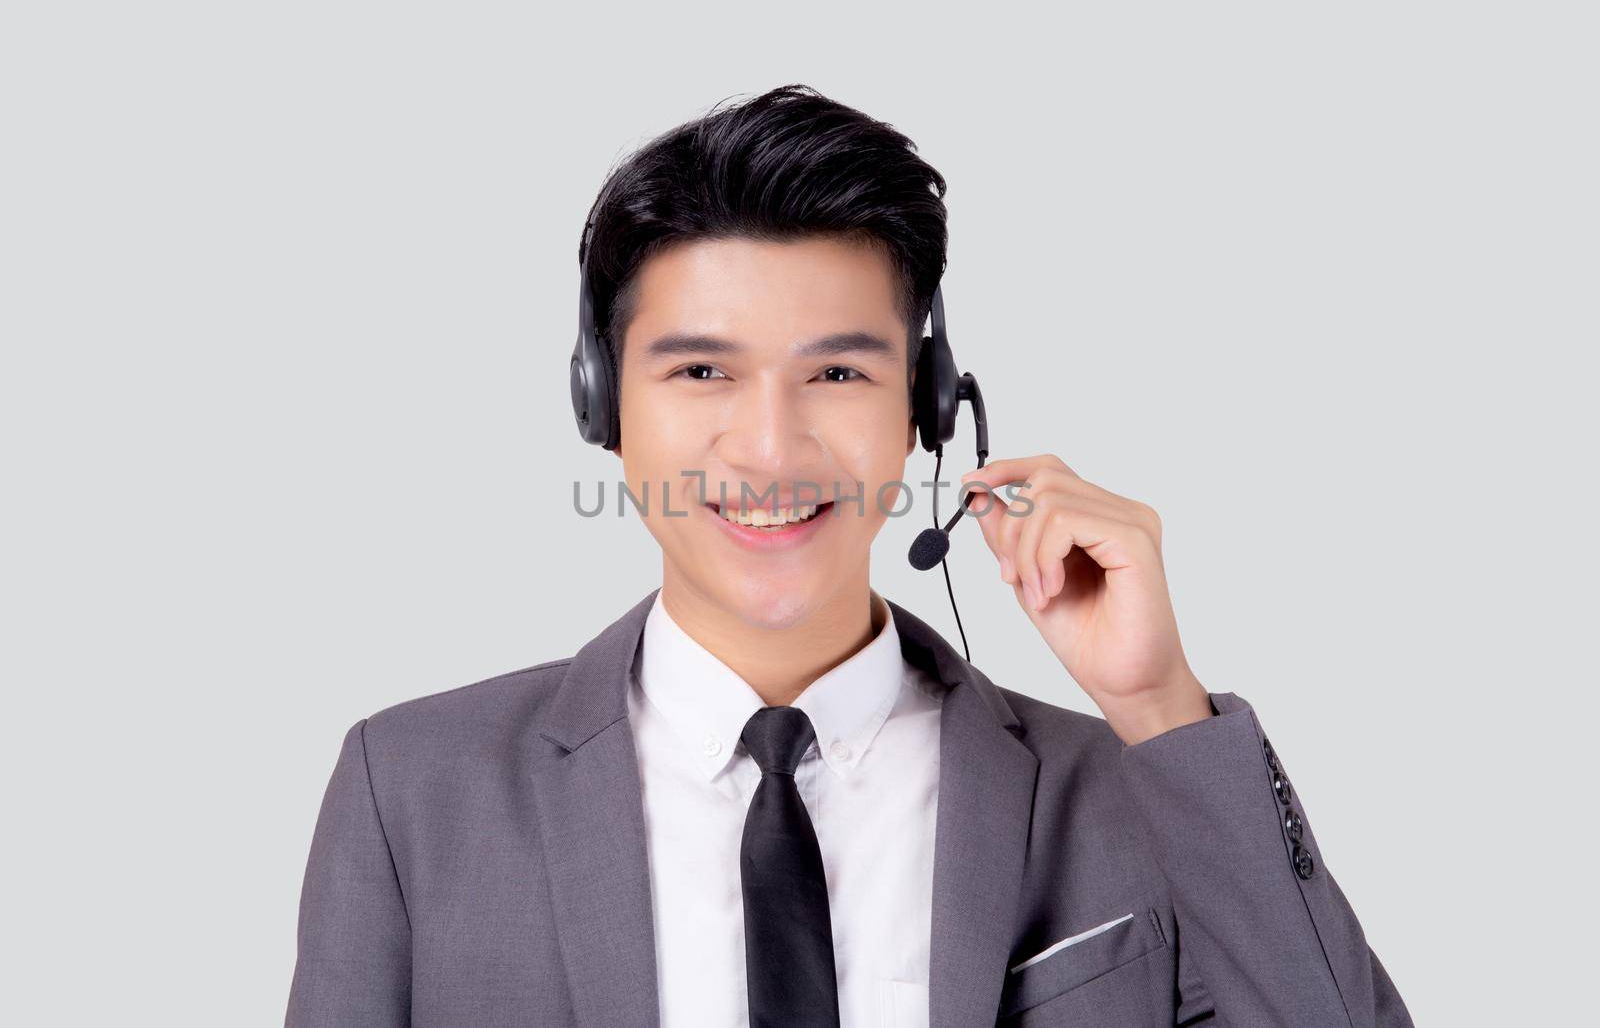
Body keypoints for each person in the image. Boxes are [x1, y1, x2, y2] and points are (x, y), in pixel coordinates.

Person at [285, 84, 1412, 1027]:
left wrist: (1160, 705)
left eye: (835, 373)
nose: (771, 448)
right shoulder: (414, 791)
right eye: (700, 372)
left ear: (925, 407)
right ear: (600, 402)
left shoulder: (1130, 793)